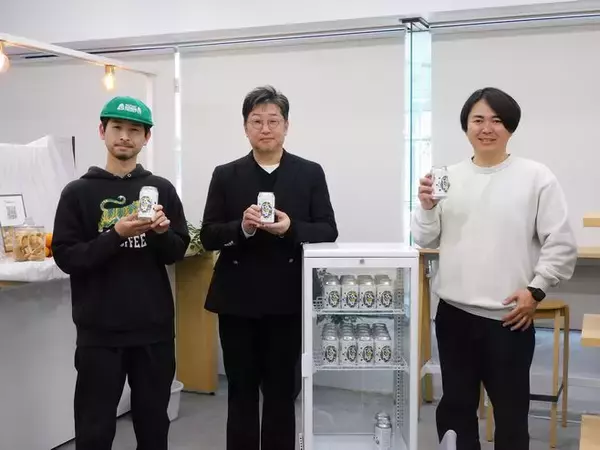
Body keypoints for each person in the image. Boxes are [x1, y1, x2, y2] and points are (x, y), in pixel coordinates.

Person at [411, 87, 577, 450]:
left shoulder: (536, 176)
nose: (487, 128)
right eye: (478, 120)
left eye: (497, 120)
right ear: (466, 126)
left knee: (511, 413)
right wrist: (425, 207)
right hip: (453, 314)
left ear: (510, 127)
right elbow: (424, 238)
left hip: (509, 319)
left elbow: (561, 242)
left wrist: (536, 289)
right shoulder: (447, 177)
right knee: (456, 409)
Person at [200, 85, 338, 450]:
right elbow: (209, 234)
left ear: (286, 126)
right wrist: (242, 228)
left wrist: (291, 228)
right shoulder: (225, 174)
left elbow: (328, 229)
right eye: (256, 121)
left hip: (287, 299)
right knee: (240, 390)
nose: (265, 128)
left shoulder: (309, 173)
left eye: (273, 121)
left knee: (281, 391)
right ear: (245, 128)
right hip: (236, 300)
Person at [52, 96, 190, 450]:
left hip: (153, 329)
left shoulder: (162, 189)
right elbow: (67, 257)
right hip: (99, 331)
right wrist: (115, 235)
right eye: (117, 128)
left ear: (146, 138)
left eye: (134, 130)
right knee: (94, 428)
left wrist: (160, 233)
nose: (125, 136)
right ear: (102, 132)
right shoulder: (77, 193)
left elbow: (176, 252)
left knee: (153, 425)